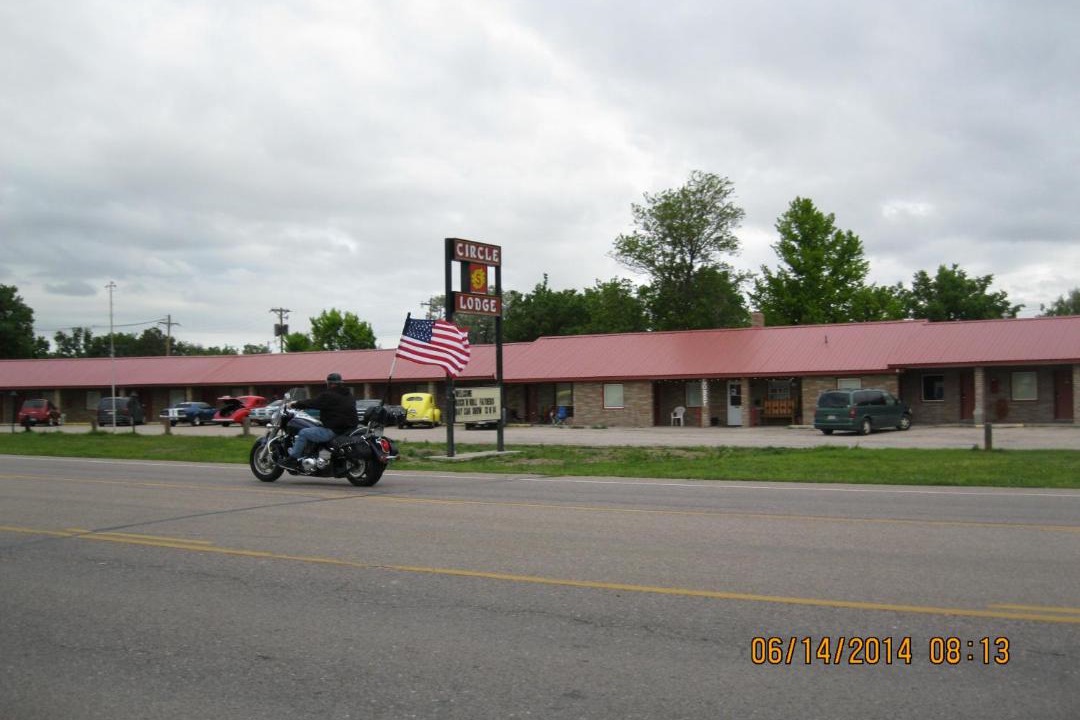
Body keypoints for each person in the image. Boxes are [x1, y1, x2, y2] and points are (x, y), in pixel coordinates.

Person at [278, 373, 357, 470]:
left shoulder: (329, 395)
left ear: (329, 383)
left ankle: (292, 460)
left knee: (303, 433)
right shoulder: (349, 395)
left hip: (333, 431)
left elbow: (313, 403)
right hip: (348, 429)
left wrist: (295, 404)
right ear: (340, 383)